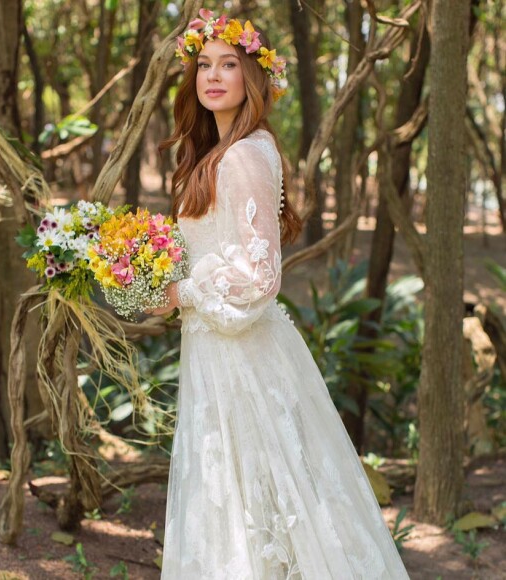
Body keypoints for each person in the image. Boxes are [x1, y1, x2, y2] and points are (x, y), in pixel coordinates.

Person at [154, 8, 410, 579]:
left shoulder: (244, 154)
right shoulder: (221, 152)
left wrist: (184, 292)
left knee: (266, 499)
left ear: (252, 76)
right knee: (239, 497)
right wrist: (153, 273)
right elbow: (217, 248)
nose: (213, 76)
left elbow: (262, 278)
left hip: (243, 358)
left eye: (228, 64)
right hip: (218, 354)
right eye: (203, 65)